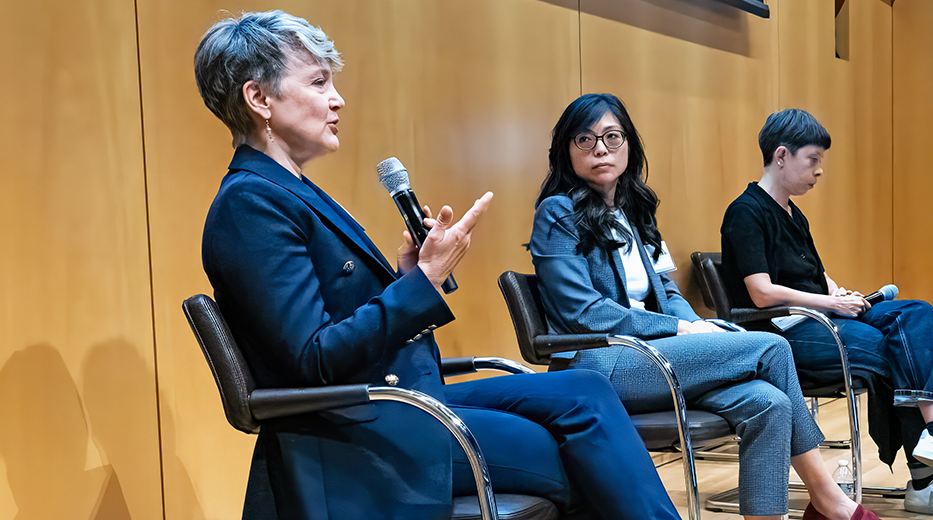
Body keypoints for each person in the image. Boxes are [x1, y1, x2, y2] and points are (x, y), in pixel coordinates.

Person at [194, 12, 679, 519]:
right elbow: (313, 360)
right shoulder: (249, 205)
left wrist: (409, 274)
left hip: (408, 399)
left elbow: (343, 319)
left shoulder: (288, 189)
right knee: (582, 453)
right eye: (319, 82)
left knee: (586, 388)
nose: (338, 99)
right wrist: (423, 282)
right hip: (365, 425)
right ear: (260, 100)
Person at [530, 93, 878, 520]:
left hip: (652, 357)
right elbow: (582, 313)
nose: (600, 149)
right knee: (771, 347)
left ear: (629, 145)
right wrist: (680, 331)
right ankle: (829, 499)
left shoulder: (634, 211)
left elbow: (667, 292)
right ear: (567, 149)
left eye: (611, 137)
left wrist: (698, 326)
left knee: (770, 402)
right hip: (598, 365)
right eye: (585, 139)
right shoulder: (557, 212)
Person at [719, 109, 933, 518]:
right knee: (897, 353)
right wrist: (831, 303)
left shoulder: (793, 213)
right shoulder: (745, 211)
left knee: (914, 315)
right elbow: (761, 293)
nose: (819, 171)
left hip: (820, 319)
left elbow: (814, 275)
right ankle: (926, 478)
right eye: (812, 160)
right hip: (785, 335)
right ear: (781, 156)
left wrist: (840, 293)